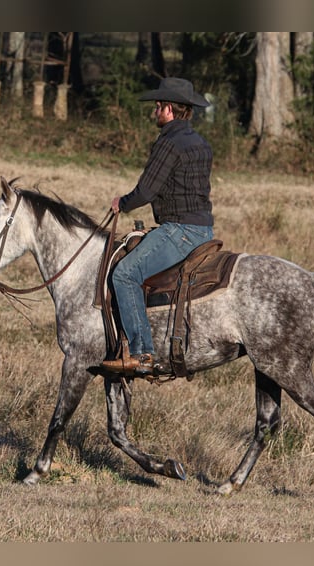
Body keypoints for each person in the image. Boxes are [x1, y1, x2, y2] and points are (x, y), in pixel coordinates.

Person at [101, 77, 214, 376]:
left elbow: (146, 191)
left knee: (125, 274)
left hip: (179, 231)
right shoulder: (200, 143)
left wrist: (121, 203)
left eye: (157, 106)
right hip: (204, 230)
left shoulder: (168, 143)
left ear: (169, 109)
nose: (154, 111)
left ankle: (142, 353)